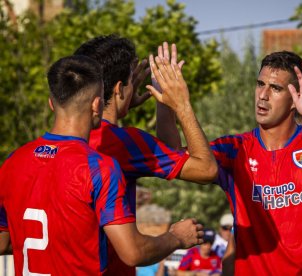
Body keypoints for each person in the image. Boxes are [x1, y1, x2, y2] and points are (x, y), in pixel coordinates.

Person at [157, 49, 302, 275]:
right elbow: (173, 157)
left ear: (296, 99)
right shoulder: (236, 149)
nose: (263, 95)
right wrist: (167, 101)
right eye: (260, 84)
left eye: (275, 88)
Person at [0, 56, 204, 275]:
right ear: (97, 104)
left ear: (52, 103)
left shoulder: (13, 161)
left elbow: (3, 243)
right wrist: (176, 237)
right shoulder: (99, 167)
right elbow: (133, 252)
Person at [73, 36, 218, 275]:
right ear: (119, 88)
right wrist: (180, 104)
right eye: (132, 82)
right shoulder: (125, 143)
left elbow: (168, 155)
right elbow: (206, 169)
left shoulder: (71, 141)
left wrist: (132, 103)